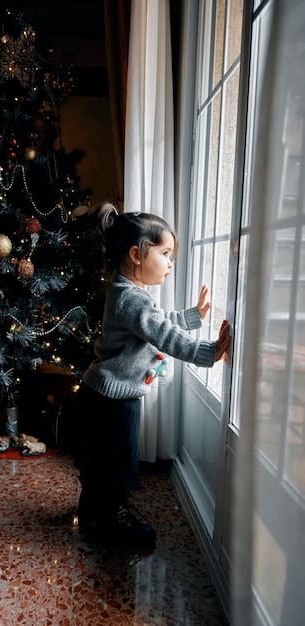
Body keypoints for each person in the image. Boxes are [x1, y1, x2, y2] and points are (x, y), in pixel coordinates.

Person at [75, 202, 231, 550]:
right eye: (164, 253)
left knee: (99, 458)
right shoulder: (133, 300)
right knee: (117, 461)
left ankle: (93, 511)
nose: (170, 262)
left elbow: (158, 323)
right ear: (136, 254)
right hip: (116, 399)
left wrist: (192, 316)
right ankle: (113, 521)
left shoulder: (127, 291)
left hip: (101, 391)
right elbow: (165, 336)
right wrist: (208, 352)